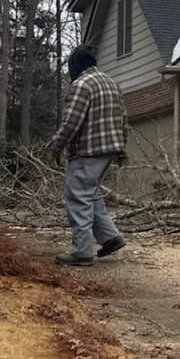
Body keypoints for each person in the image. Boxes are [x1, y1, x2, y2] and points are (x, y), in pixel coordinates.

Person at [45, 46, 128, 266]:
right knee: (91, 195)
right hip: (108, 150)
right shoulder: (111, 83)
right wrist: (121, 148)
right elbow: (123, 118)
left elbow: (71, 122)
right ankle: (110, 237)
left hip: (88, 151)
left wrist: (56, 147)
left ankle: (82, 252)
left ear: (75, 66)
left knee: (78, 197)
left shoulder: (82, 84)